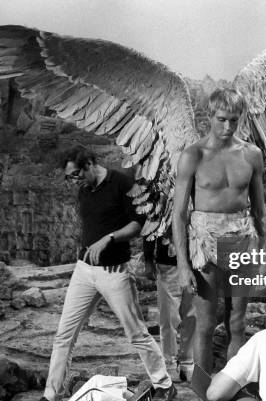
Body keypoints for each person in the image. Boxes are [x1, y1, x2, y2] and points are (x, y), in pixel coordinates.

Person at [41, 145, 175, 401]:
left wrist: (109, 239)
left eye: (76, 174)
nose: (74, 180)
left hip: (115, 272)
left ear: (90, 163)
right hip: (84, 271)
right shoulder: (84, 190)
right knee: (64, 335)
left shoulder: (122, 183)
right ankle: (50, 394)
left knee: (136, 332)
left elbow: (140, 223)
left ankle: (164, 384)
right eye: (70, 176)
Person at [172, 88, 266, 374]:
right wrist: (181, 264)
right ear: (209, 116)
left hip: (242, 239)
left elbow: (260, 210)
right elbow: (178, 215)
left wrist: (265, 257)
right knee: (205, 324)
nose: (227, 127)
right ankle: (204, 391)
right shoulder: (193, 155)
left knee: (237, 323)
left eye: (234, 121)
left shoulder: (251, 154)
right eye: (222, 119)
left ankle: (231, 386)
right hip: (205, 241)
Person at [143, 233, 196, 382]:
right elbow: (150, 224)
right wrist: (148, 258)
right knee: (169, 317)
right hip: (167, 263)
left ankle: (187, 363)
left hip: (196, 262)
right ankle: (170, 363)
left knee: (192, 316)